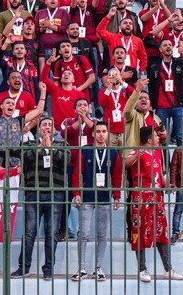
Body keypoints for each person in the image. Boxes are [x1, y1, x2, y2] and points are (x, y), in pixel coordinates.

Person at [11, 115, 69, 281]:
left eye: (50, 125)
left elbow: (66, 161)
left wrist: (50, 148)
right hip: (33, 194)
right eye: (44, 125)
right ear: (38, 129)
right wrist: (39, 148)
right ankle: (24, 267)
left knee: (52, 233)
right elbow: (23, 159)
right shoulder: (29, 144)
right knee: (29, 232)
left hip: (54, 194)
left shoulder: (61, 144)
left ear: (54, 129)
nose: (47, 128)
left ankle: (48, 269)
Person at [125, 126, 183, 282]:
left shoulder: (158, 153)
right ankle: (142, 269)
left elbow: (160, 176)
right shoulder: (138, 152)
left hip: (157, 198)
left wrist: (167, 185)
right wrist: (137, 154)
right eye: (156, 137)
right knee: (139, 232)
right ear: (149, 140)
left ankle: (168, 269)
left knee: (161, 232)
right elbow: (125, 163)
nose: (159, 139)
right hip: (141, 198)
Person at [70, 121, 122, 282]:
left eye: (103, 131)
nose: (100, 134)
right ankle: (82, 267)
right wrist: (77, 193)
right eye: (98, 131)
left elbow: (117, 176)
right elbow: (77, 173)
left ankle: (98, 267)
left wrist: (117, 196)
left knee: (102, 234)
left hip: (105, 198)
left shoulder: (113, 153)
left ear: (108, 134)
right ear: (93, 134)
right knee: (83, 233)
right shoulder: (85, 151)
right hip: (87, 197)